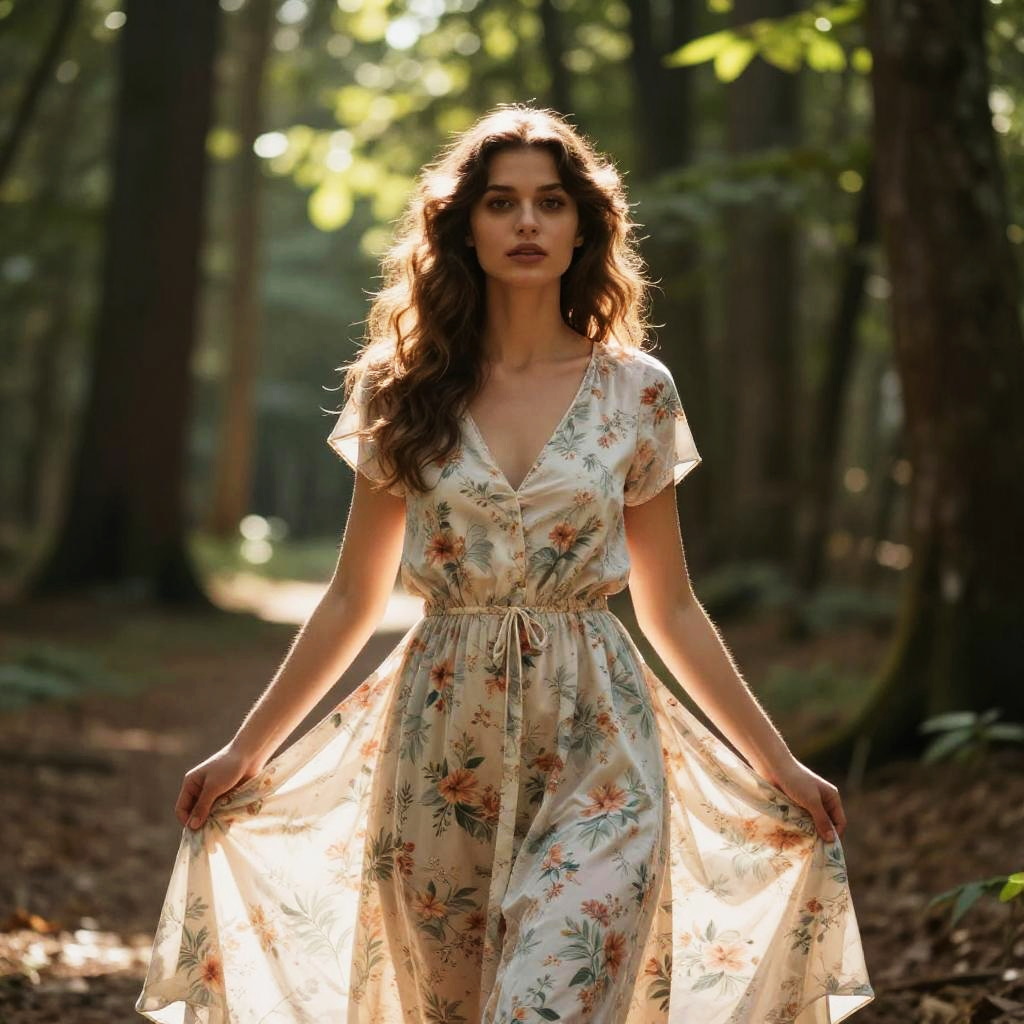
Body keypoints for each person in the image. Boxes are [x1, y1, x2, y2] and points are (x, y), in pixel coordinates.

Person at [136, 103, 874, 1023]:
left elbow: (672, 606)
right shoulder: (399, 389)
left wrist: (778, 764)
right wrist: (247, 749)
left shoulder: (639, 391)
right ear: (464, 228)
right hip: (443, 744)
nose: (527, 222)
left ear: (583, 228)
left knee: (547, 1002)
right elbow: (352, 596)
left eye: (551, 202)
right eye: (501, 203)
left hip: (601, 740)